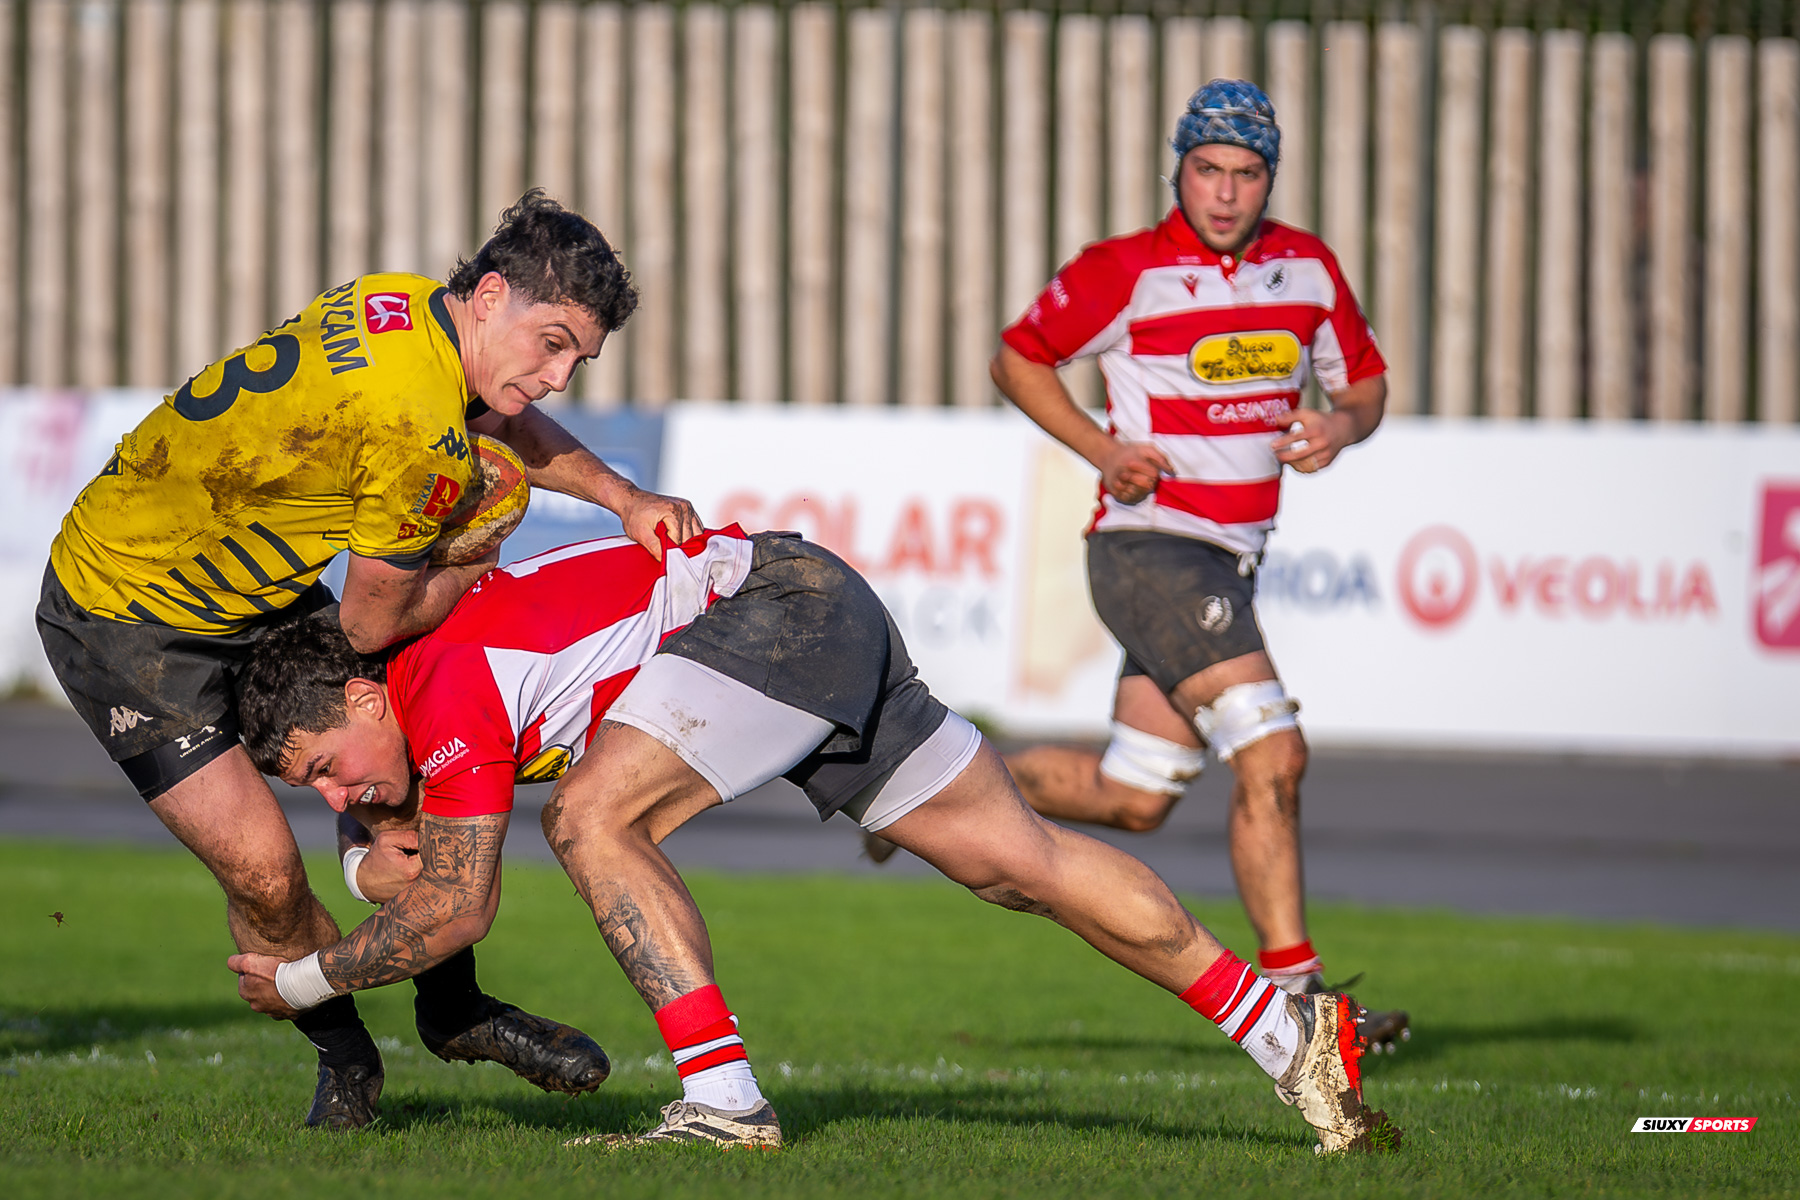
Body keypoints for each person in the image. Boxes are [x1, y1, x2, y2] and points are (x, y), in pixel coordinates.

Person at [226, 528, 1400, 1155]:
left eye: (325, 768)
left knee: (591, 814)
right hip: (809, 601)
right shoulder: (404, 712)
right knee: (1020, 864)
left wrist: (297, 977)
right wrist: (363, 847)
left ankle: (724, 1101)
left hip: (772, 616)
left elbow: (454, 907)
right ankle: (1288, 1035)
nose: (338, 792)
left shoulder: (440, 689)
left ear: (364, 698)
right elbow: (396, 855)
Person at [35, 191, 700, 1127]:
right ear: (493, 294)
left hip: (244, 581)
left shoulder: (407, 304)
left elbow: (500, 424)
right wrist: (474, 559)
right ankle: (346, 1059)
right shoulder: (414, 432)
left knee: (408, 773)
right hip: (121, 609)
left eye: (576, 358)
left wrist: (622, 499)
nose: (557, 376)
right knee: (265, 870)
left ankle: (452, 1011)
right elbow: (369, 628)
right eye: (550, 342)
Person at [979, 80, 1407, 1046]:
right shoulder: (1125, 270)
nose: (1224, 192)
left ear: (1269, 180)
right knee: (1274, 749)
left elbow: (1368, 384)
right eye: (1207, 170)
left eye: (1245, 174)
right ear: (1179, 169)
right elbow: (1017, 358)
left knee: (1133, 798)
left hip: (1231, 560)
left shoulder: (1306, 269)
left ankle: (946, 787)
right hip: (1151, 547)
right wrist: (1101, 450)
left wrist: (1340, 422)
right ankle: (1303, 1000)